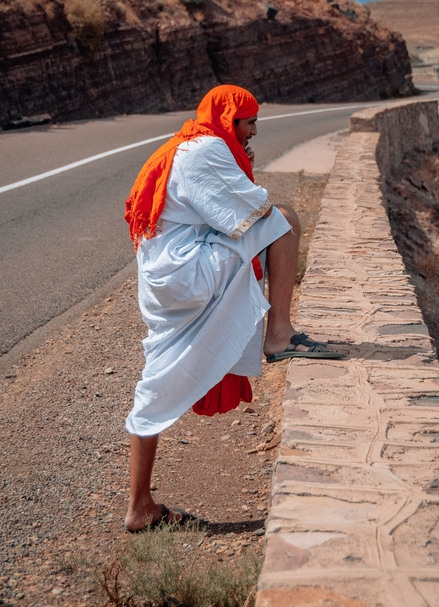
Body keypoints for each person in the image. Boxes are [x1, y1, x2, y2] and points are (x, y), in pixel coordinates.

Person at [123, 84, 345, 531]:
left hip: (164, 282)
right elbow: (255, 210)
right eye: (248, 123)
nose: (254, 132)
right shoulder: (205, 150)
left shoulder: (185, 144)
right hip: (188, 276)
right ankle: (279, 334)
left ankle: (139, 507)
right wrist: (255, 193)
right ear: (229, 121)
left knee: (155, 382)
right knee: (284, 221)